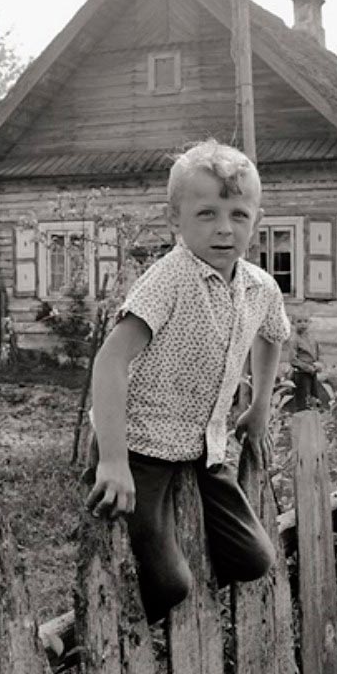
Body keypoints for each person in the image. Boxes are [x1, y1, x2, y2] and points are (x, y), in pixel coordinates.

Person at [86, 139, 290, 622]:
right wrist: (114, 459)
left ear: (255, 220)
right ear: (174, 219)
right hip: (143, 444)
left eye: (238, 214)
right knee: (168, 586)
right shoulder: (169, 280)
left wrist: (259, 406)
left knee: (256, 558)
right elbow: (109, 362)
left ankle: (181, 543)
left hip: (207, 445)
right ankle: (113, 620)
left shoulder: (260, 287)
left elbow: (273, 335)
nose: (224, 228)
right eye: (206, 214)